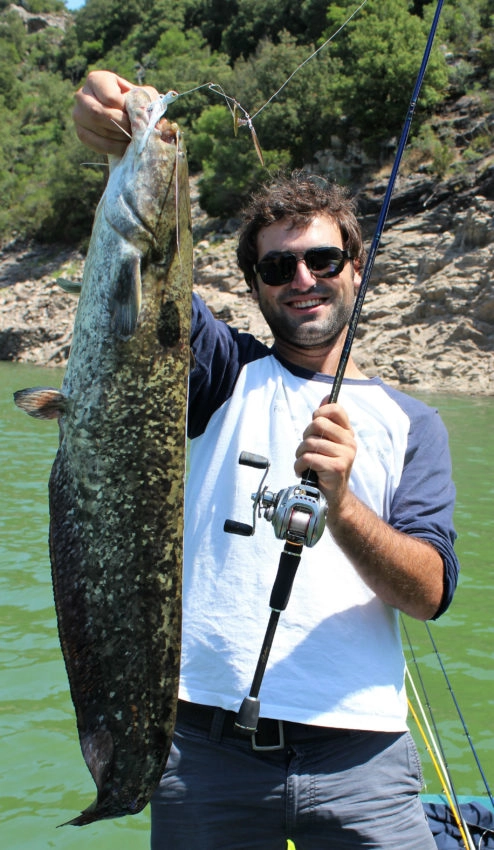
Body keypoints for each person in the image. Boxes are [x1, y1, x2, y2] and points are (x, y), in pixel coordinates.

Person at [73, 71, 460, 850]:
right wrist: (112, 138)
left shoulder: (412, 423)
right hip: (203, 755)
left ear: (357, 266)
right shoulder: (218, 372)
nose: (304, 279)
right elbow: (145, 285)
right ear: (254, 286)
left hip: (367, 761)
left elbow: (429, 592)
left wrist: (345, 504)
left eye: (321, 258)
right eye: (278, 268)